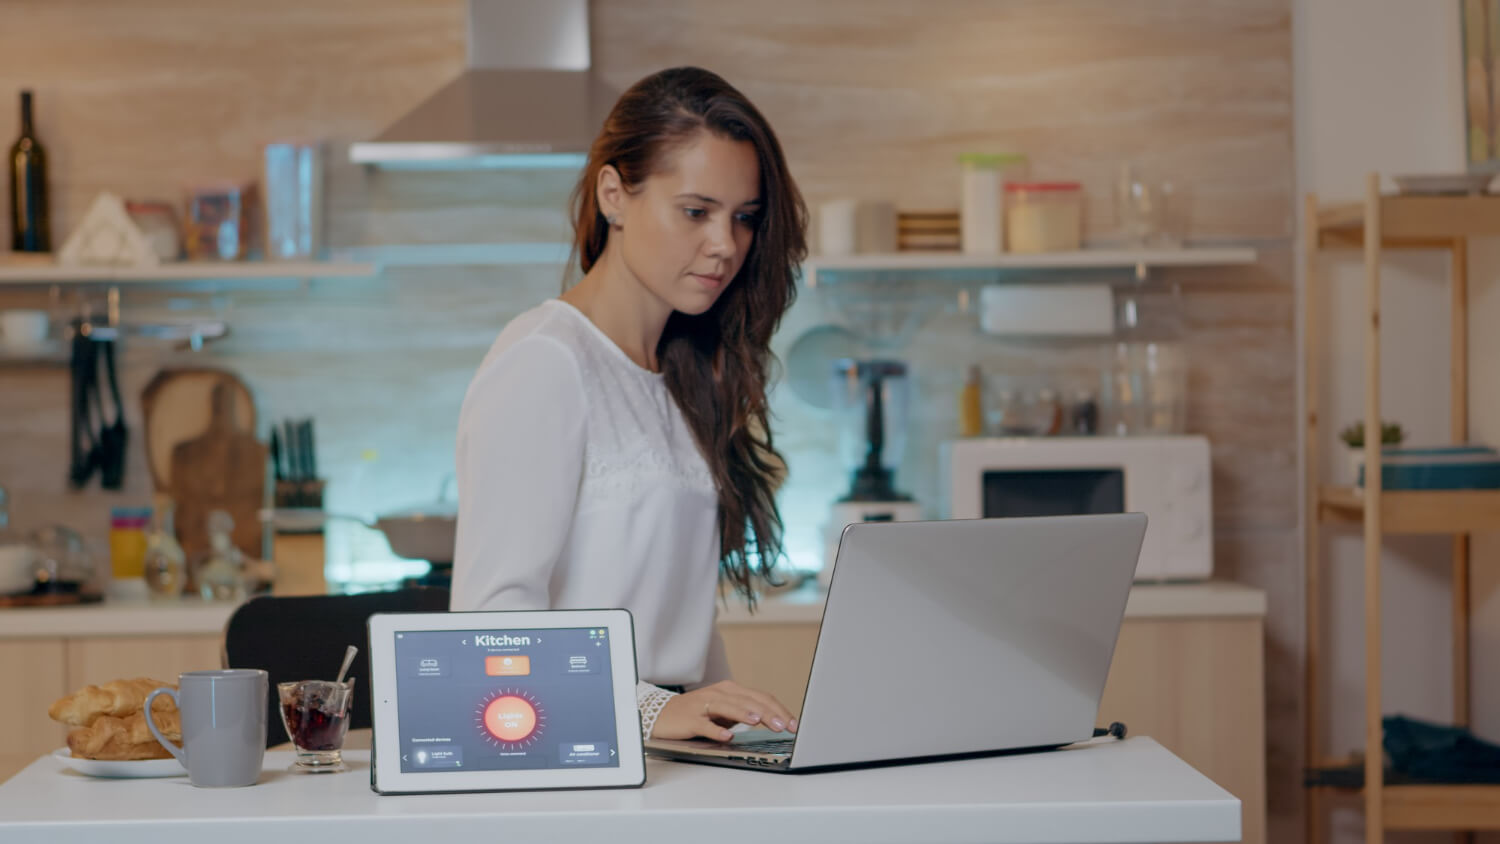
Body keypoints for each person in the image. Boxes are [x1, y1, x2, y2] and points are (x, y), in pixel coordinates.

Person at [450, 66, 808, 743]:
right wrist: (651, 709)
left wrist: (736, 723)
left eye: (744, 219)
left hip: (667, 755)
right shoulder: (545, 360)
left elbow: (682, 635)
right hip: (573, 754)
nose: (725, 245)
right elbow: (491, 628)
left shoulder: (682, 374)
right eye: (696, 212)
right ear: (614, 195)